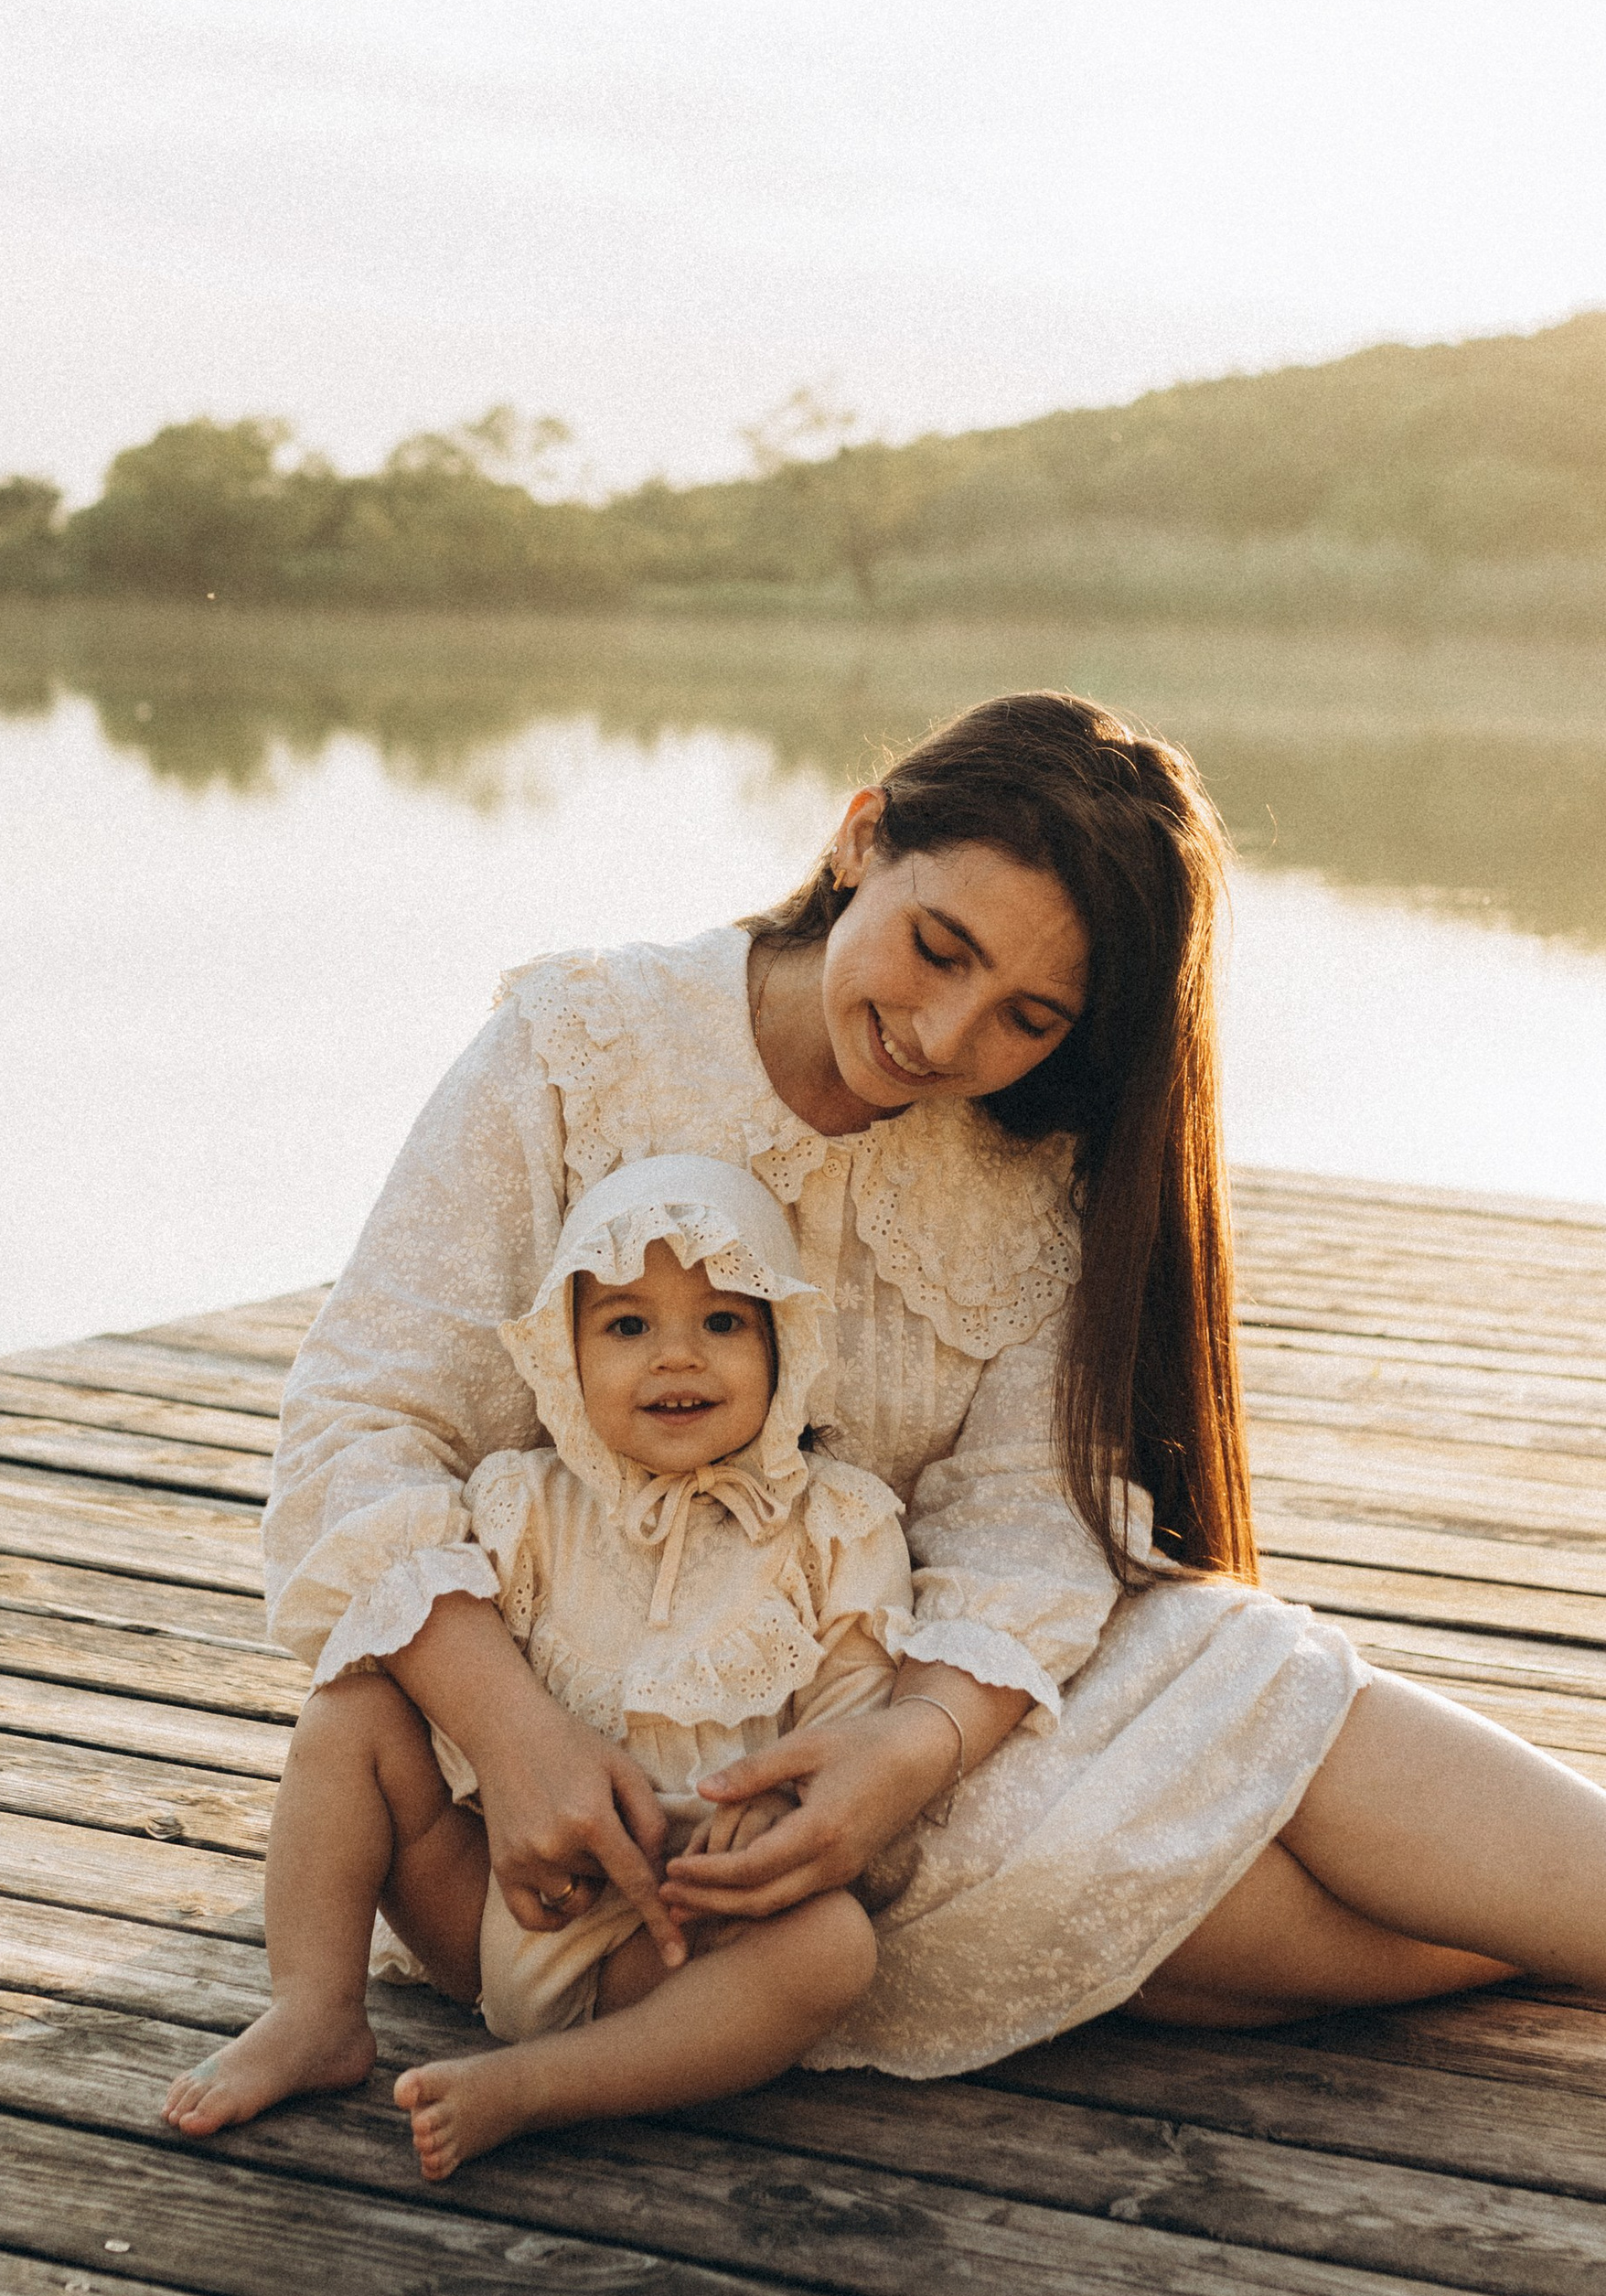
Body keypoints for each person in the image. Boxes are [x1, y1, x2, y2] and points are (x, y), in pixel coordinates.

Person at [258, 690, 1606, 2083]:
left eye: (1026, 1016)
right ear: (861, 841)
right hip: (574, 1764)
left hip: (895, 1703)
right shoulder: (580, 1048)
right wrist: (514, 1731)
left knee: (1237, 1675)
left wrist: (911, 1746)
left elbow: (1028, 1511)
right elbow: (360, 1431)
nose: (948, 1038)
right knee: (1176, 1927)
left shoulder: (1030, 1153)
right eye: (936, 948)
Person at [166, 1155, 920, 2174]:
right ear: (563, 1354)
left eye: (723, 1322)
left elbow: (853, 1712)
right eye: (625, 1325)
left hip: (672, 1938)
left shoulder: (836, 1526)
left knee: (832, 1948)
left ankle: (544, 2087)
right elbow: (437, 1687)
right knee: (350, 1709)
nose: (675, 1359)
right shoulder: (522, 1503)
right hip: (488, 1901)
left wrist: (782, 1810)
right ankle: (313, 2010)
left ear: (787, 1338)